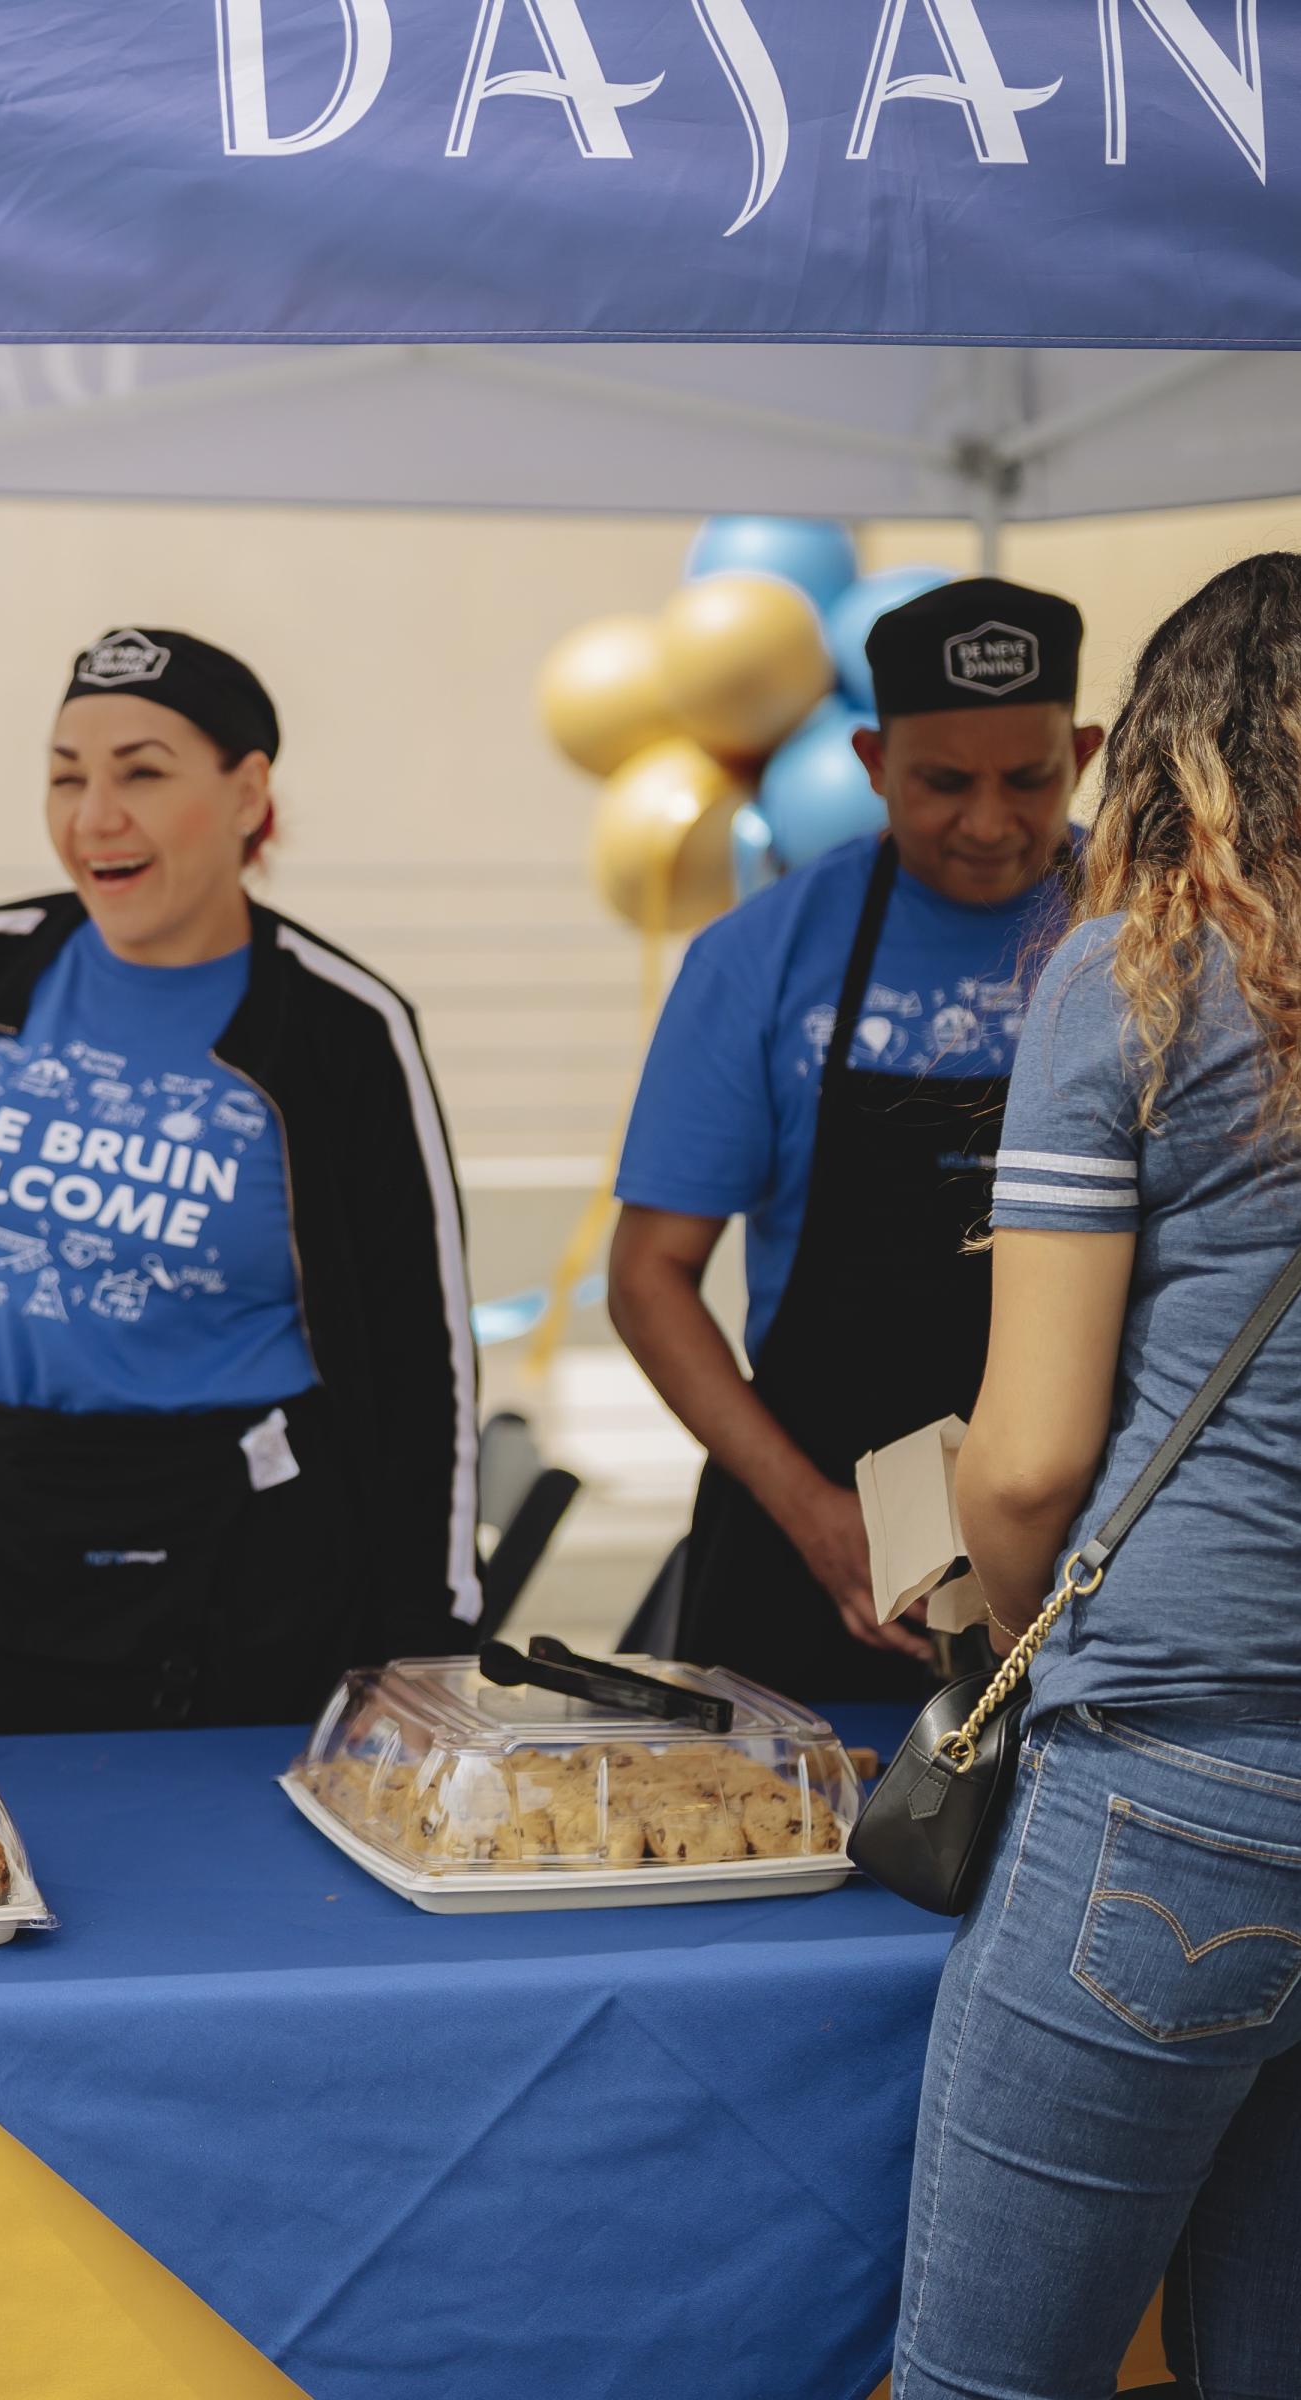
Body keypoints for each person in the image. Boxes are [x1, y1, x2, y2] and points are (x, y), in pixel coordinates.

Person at [897, 552, 1301, 2400]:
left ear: (1157, 755)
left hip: (1181, 1781)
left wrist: (982, 1604)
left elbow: (1031, 1458)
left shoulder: (1135, 982)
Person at [0, 627, 478, 1734]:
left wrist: (425, 1653)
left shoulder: (341, 1030)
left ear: (248, 791)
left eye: (141, 772)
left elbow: (429, 1370)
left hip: (234, 1601)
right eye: (66, 776)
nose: (94, 817)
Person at [609, 577, 1104, 1703]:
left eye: (1028, 778)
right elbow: (648, 1279)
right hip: (811, 1543)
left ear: (1082, 750)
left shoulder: (1153, 933)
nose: (988, 820)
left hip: (1093, 1548)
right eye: (942, 782)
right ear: (874, 763)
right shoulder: (763, 956)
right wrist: (816, 1516)